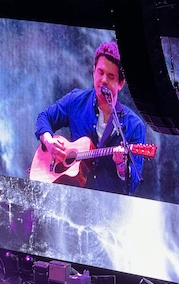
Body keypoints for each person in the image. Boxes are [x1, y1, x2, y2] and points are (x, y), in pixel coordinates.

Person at [34, 40, 147, 194]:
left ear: (121, 83)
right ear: (94, 71)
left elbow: (133, 184)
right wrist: (49, 141)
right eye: (100, 72)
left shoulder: (134, 126)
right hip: (69, 194)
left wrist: (121, 165)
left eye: (111, 76)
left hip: (105, 206)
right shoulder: (76, 100)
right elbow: (44, 117)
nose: (103, 81)